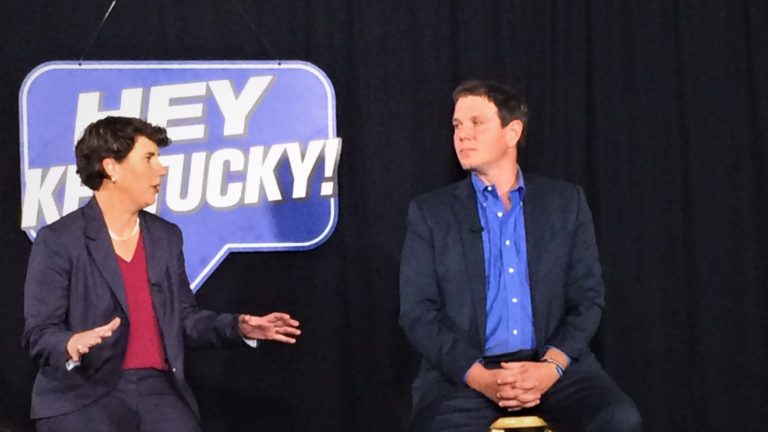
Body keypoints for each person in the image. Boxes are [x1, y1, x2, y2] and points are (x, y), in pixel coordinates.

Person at [22, 116, 301, 432]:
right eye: (149, 158)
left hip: (158, 389)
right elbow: (39, 333)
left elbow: (184, 319)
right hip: (84, 393)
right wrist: (70, 342)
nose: (162, 169)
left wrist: (238, 328)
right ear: (111, 167)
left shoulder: (165, 237)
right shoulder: (59, 239)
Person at [399, 80, 642, 432]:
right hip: (464, 377)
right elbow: (418, 314)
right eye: (456, 125)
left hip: (554, 369)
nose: (462, 135)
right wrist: (480, 377)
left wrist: (551, 367)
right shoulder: (430, 213)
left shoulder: (565, 204)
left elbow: (588, 300)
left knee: (619, 419)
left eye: (476, 123)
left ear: (512, 132)